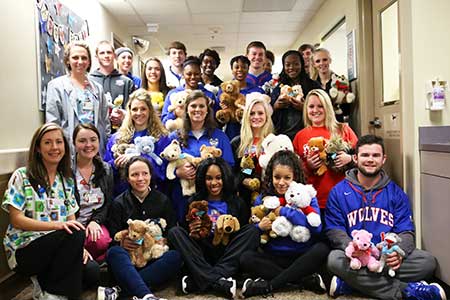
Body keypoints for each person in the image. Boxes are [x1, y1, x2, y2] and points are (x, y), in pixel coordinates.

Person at [325, 135, 447, 300]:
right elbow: (334, 230)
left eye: (375, 155)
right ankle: (407, 291)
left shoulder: (396, 193)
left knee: (427, 262)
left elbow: (406, 231)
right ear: (355, 158)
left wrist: (399, 254)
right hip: (357, 257)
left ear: (383, 159)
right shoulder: (338, 192)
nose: (370, 160)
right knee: (334, 260)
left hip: (385, 256)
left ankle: (351, 283)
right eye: (365, 155)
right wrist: (352, 248)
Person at [2, 123, 98, 300]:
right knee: (75, 238)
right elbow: (16, 220)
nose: (54, 147)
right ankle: (56, 295)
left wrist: (79, 248)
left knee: (92, 271)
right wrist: (58, 225)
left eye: (59, 142)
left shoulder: (66, 180)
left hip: (58, 247)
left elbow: (72, 220)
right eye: (47, 143)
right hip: (25, 249)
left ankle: (45, 287)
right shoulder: (22, 176)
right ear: (38, 148)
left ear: (65, 147)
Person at [239, 150, 329, 298]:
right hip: (274, 256)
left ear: (295, 177)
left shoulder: (306, 196)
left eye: (287, 178)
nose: (281, 183)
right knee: (246, 258)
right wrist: (260, 227)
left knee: (322, 248)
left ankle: (271, 285)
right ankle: (301, 280)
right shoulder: (263, 198)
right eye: (277, 177)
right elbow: (254, 226)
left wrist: (284, 212)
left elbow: (317, 228)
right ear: (270, 177)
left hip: (302, 255)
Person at [168, 157, 259, 299]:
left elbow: (241, 232)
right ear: (202, 180)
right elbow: (186, 232)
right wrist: (192, 230)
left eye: (218, 178)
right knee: (175, 232)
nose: (214, 183)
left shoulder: (238, 203)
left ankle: (201, 280)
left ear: (225, 178)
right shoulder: (193, 202)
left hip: (227, 252)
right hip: (202, 253)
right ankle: (218, 281)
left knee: (252, 231)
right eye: (209, 178)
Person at [106, 156, 182, 300]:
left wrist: (163, 242)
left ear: (150, 175)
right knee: (114, 252)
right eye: (134, 175)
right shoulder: (119, 203)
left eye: (145, 173)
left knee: (175, 257)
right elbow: (112, 238)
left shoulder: (163, 200)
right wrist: (121, 242)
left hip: (153, 259)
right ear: (127, 178)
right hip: (129, 260)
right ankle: (146, 295)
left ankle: (121, 290)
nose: (140, 178)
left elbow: (171, 230)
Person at [167, 90, 234, 223]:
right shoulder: (175, 137)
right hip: (182, 197)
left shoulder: (219, 136)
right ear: (186, 110)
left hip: (212, 199)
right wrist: (177, 171)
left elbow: (229, 167)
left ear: (208, 110)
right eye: (193, 106)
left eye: (201, 106)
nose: (197, 109)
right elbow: (163, 166)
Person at [293, 89, 357, 215]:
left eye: (320, 106)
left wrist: (348, 158)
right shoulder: (300, 136)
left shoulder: (343, 129)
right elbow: (294, 172)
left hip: (342, 198)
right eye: (311, 106)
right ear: (306, 109)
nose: (315, 110)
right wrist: (308, 166)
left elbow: (361, 156)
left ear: (327, 107)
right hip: (313, 202)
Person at [46, 41, 110, 155]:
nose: (80, 62)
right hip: (69, 149)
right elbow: (53, 123)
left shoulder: (97, 89)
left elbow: (104, 122)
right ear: (67, 60)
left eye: (84, 58)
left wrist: (105, 146)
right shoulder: (56, 86)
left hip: (94, 149)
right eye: (75, 57)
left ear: (89, 61)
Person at [104, 88, 170, 197]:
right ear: (129, 111)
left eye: (143, 109)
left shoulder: (162, 138)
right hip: (124, 198)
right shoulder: (117, 138)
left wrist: (136, 158)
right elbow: (107, 169)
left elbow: (164, 172)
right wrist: (117, 163)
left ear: (150, 110)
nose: (139, 113)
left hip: (153, 196)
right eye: (135, 109)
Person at [72, 123, 114, 263]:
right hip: (71, 223)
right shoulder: (65, 170)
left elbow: (107, 203)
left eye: (93, 139)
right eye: (82, 141)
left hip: (93, 223)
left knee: (100, 242)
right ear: (74, 143)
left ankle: (88, 261)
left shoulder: (106, 170)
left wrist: (95, 221)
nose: (88, 145)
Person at [231, 92, 274, 210]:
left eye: (260, 113)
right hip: (243, 198)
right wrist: (244, 180)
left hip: (268, 198)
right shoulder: (237, 143)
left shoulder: (273, 142)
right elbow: (232, 173)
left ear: (266, 116)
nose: (256, 117)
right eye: (252, 113)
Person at [271, 50, 321, 140]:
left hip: (309, 134)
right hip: (284, 136)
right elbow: (267, 113)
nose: (292, 67)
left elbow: (325, 108)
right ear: (283, 66)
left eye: (296, 64)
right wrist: (276, 106)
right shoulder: (278, 88)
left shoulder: (313, 86)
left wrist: (304, 108)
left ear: (301, 65)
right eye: (288, 65)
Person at [89, 40, 135, 129]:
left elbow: (133, 110)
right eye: (102, 53)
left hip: (121, 132)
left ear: (114, 56)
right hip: (96, 132)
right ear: (96, 56)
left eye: (109, 52)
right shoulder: (90, 81)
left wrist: (123, 116)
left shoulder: (127, 82)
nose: (106, 56)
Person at [161, 56, 216, 126]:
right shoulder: (173, 94)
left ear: (201, 74)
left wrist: (209, 109)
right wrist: (175, 113)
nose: (192, 77)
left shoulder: (209, 95)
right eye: (189, 74)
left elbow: (216, 123)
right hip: (179, 134)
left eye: (196, 74)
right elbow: (163, 121)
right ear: (183, 75)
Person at [219, 55, 264, 140]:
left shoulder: (257, 90)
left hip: (252, 132)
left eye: (244, 67)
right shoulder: (224, 91)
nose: (240, 70)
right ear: (232, 70)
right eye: (236, 67)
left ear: (248, 69)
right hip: (231, 132)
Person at [311, 48, 351, 123]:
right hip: (317, 125)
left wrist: (344, 100)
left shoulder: (341, 82)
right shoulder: (311, 85)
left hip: (337, 124)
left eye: (325, 60)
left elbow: (347, 111)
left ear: (330, 60)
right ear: (314, 64)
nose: (322, 63)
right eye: (318, 61)